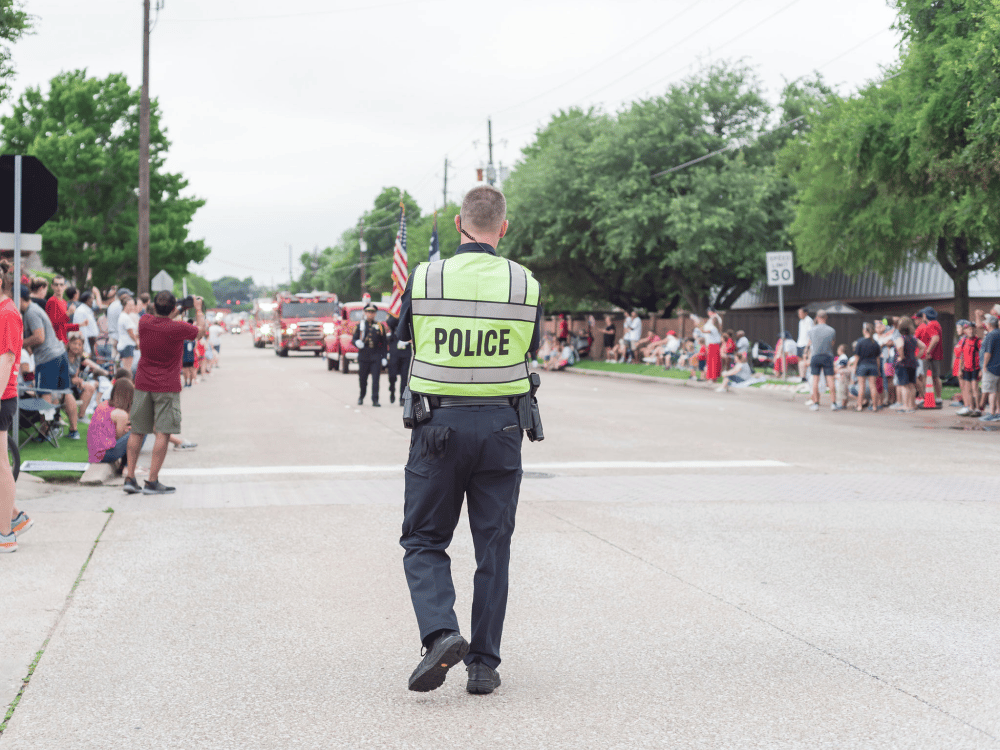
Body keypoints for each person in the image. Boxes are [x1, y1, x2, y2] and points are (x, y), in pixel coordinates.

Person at [395, 185, 542, 695]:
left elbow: (407, 338)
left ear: (459, 223)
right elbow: (531, 349)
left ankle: (441, 633)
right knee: (493, 547)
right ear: (504, 227)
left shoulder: (427, 277)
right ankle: (482, 665)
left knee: (423, 540)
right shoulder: (525, 283)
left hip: (439, 426)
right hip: (502, 428)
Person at [122, 292, 204, 495]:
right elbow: (200, 332)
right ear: (173, 307)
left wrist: (177, 309)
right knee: (163, 432)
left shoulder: (144, 321)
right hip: (166, 386)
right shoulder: (178, 328)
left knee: (137, 431)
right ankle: (152, 481)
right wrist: (198, 310)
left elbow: (163, 317)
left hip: (142, 383)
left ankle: (130, 478)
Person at [21, 285, 81, 439]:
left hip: (48, 358)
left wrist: (19, 342)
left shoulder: (31, 313)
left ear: (20, 299)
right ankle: (74, 431)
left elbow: (39, 337)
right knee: (65, 392)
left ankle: (45, 432)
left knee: (45, 394)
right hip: (59, 353)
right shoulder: (34, 309)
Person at [0, 260, 29, 552]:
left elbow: (7, 360)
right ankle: (15, 518)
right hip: (3, 396)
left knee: (0, 465)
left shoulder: (7, 313)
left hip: (2, 397)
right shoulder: (4, 311)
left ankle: (6, 534)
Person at [87, 377, 133, 473]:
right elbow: (119, 436)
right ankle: (128, 467)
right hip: (106, 454)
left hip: (95, 454)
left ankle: (124, 467)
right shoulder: (121, 413)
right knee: (138, 433)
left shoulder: (104, 404)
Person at [352, 302, 388, 406]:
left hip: (375, 355)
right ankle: (361, 396)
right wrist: (357, 343)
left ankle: (375, 399)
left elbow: (383, 343)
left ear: (375, 314)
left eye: (372, 312)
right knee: (363, 379)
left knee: (376, 379)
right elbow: (354, 339)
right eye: (368, 312)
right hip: (364, 355)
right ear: (364, 313)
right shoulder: (360, 326)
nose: (370, 314)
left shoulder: (380, 326)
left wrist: (384, 357)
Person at [66, 332, 108, 417]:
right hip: (62, 384)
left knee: (90, 387)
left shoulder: (78, 357)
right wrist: (76, 380)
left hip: (72, 384)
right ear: (69, 343)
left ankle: (81, 416)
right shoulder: (64, 356)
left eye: (79, 344)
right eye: (74, 343)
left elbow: (75, 376)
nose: (77, 346)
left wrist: (79, 381)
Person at [807, 309, 839, 411]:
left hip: (815, 356)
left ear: (817, 317)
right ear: (826, 318)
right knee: (830, 380)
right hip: (827, 356)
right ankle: (833, 403)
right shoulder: (831, 330)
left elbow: (810, 343)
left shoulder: (811, 330)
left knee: (815, 380)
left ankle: (816, 403)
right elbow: (832, 344)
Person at [915, 307, 943, 407]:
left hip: (929, 355)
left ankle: (927, 398)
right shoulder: (937, 323)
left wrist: (928, 351)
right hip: (936, 354)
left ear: (925, 315)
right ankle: (938, 398)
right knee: (936, 377)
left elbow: (935, 338)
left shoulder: (931, 324)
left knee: (927, 377)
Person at [854, 323, 881, 412]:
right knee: (873, 386)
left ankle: (859, 406)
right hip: (873, 366)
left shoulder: (860, 342)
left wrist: (854, 368)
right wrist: (878, 369)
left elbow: (857, 357)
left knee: (861, 386)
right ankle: (874, 406)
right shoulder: (875, 343)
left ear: (864, 331)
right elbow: (878, 359)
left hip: (862, 365)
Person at [45, 275, 80, 345]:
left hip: (63, 341)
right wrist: (68, 313)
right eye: (56, 285)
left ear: (65, 286)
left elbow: (63, 326)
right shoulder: (52, 301)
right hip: (55, 342)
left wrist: (79, 326)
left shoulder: (64, 302)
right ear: (52, 286)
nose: (59, 287)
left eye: (61, 285)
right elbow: (53, 324)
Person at [956, 320, 981, 417]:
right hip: (966, 368)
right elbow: (962, 356)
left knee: (975, 388)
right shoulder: (964, 341)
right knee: (968, 389)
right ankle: (971, 407)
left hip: (975, 368)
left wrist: (981, 370)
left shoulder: (978, 341)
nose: (970, 331)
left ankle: (978, 408)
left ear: (975, 330)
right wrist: (959, 369)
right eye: (968, 329)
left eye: (972, 329)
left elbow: (982, 356)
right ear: (965, 330)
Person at [978, 314, 1000, 422]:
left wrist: (984, 365)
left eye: (986, 322)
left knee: (991, 391)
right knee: (997, 390)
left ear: (990, 324)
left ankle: (991, 413)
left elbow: (988, 352)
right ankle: (998, 412)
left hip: (991, 368)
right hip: (998, 367)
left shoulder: (991, 335)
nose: (985, 324)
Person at [386, 315, 411, 406]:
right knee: (392, 375)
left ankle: (402, 398)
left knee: (404, 377)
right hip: (395, 350)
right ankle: (392, 390)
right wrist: (399, 314)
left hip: (406, 350)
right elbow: (389, 322)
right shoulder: (396, 317)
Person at [117, 296, 140, 372]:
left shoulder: (123, 316)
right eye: (131, 305)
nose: (132, 307)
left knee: (125, 368)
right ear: (126, 306)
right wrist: (137, 342)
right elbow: (130, 332)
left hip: (124, 345)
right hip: (127, 345)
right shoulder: (125, 317)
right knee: (127, 369)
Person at [796, 307, 815, 382]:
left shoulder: (809, 320)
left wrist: (808, 344)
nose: (799, 315)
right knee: (800, 360)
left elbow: (811, 333)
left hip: (806, 343)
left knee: (806, 361)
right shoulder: (800, 321)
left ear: (805, 313)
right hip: (800, 343)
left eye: (800, 313)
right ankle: (802, 376)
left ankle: (806, 376)